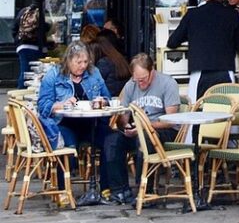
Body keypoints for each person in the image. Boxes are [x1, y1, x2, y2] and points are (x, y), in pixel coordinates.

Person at [101, 53, 181, 205]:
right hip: (138, 129)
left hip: (163, 130)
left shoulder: (167, 83)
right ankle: (120, 191)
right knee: (112, 140)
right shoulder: (131, 85)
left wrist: (143, 126)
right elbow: (123, 116)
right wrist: (124, 123)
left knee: (144, 139)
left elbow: (171, 120)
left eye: (143, 79)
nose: (140, 84)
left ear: (152, 71)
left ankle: (144, 190)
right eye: (137, 80)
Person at [35, 42, 112, 189]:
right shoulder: (54, 74)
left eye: (85, 61)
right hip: (64, 123)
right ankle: (63, 191)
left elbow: (107, 97)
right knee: (66, 149)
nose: (83, 66)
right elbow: (43, 105)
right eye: (79, 62)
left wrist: (102, 101)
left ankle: (106, 189)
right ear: (68, 61)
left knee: (111, 141)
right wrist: (61, 104)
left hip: (91, 123)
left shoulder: (94, 73)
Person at [168, 0, 239, 102]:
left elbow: (172, 42)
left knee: (196, 112)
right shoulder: (232, 15)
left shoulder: (192, 14)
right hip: (225, 70)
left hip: (199, 70)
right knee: (226, 113)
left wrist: (193, 38)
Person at [14, 0, 49, 88]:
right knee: (37, 73)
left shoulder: (23, 11)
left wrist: (18, 42)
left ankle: (21, 92)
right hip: (36, 47)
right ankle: (29, 91)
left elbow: (14, 28)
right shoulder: (41, 13)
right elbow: (44, 30)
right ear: (44, 1)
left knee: (24, 71)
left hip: (23, 47)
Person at [94, 30, 132, 97]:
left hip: (109, 99)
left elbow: (95, 83)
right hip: (122, 98)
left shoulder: (103, 63)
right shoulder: (119, 58)